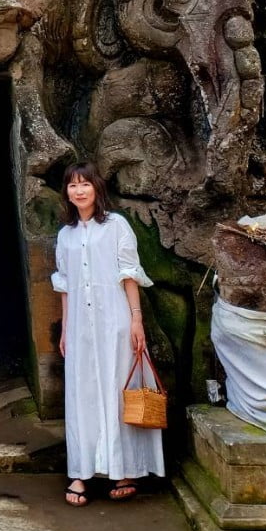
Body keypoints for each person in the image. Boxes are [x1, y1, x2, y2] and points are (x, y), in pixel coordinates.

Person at [53, 162, 164, 506]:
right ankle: (80, 474)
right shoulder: (65, 235)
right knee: (81, 394)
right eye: (73, 185)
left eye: (85, 184)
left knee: (119, 390)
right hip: (80, 327)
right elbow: (65, 285)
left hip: (115, 319)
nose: (79, 190)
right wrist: (65, 329)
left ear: (97, 189)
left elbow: (128, 274)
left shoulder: (116, 226)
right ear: (67, 192)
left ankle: (124, 471)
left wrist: (136, 320)